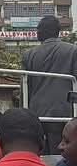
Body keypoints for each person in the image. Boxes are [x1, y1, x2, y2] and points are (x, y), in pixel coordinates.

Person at [22, 15, 77, 152]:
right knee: (62, 153)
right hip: (64, 112)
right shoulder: (72, 51)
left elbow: (25, 87)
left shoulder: (29, 55)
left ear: (42, 31)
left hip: (36, 113)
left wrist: (24, 112)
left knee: (40, 153)